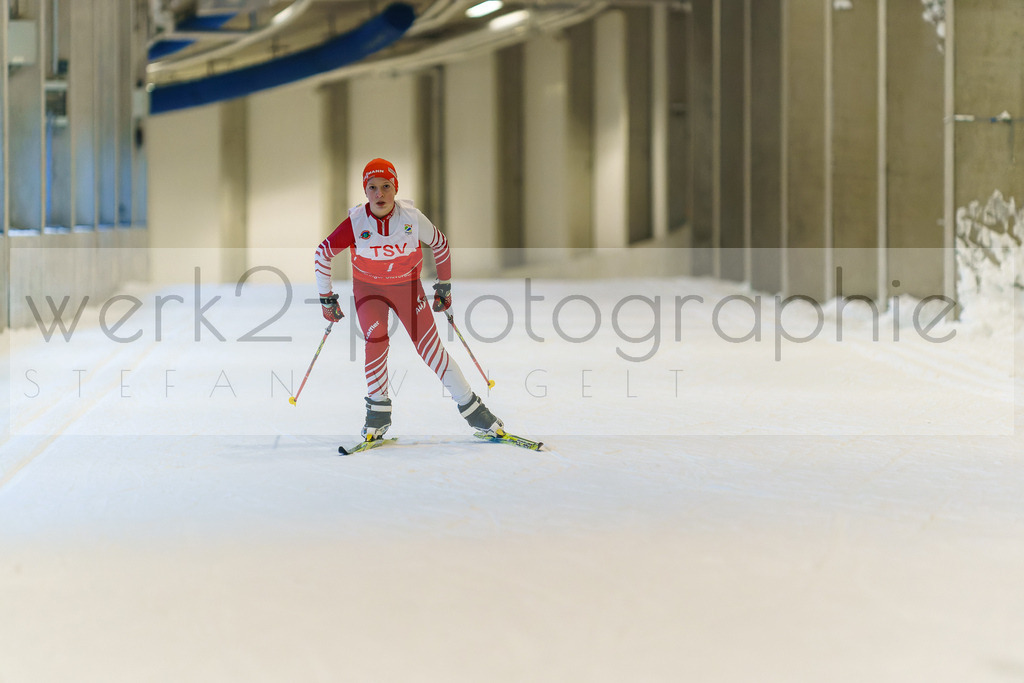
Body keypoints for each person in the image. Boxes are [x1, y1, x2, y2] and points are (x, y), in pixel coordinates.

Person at [314, 158, 503, 441]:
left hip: (407, 289)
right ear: (365, 191)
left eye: (386, 186)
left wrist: (444, 286)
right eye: (373, 187)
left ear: (395, 188)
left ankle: (475, 411)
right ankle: (378, 414)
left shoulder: (411, 218)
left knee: (430, 349)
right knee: (375, 341)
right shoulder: (356, 222)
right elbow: (323, 253)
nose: (380, 193)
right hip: (370, 292)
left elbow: (440, 244)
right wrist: (326, 298)